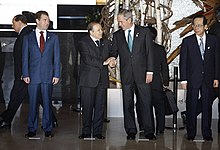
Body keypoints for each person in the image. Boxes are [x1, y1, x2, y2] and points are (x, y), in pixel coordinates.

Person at [0, 14, 57, 130]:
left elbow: (26, 56)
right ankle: (52, 120)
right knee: (39, 97)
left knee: (16, 97)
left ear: (19, 21)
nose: (12, 26)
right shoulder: (25, 34)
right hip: (27, 74)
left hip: (26, 75)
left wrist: (24, 73)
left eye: (13, 23)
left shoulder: (27, 34)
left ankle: (7, 120)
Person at [111, 9, 155, 140]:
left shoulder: (144, 32)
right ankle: (130, 130)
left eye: (121, 21)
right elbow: (114, 51)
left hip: (143, 74)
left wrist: (150, 71)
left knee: (146, 102)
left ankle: (149, 131)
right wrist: (112, 58)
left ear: (129, 20)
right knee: (127, 103)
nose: (119, 24)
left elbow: (150, 53)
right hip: (126, 75)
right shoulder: (117, 35)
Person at [179, 14, 219, 141]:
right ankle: (191, 133)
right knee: (191, 105)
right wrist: (183, 79)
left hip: (208, 79)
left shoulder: (213, 40)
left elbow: (216, 60)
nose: (196, 27)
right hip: (192, 79)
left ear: (205, 26)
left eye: (199, 25)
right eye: (194, 25)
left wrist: (216, 78)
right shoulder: (187, 41)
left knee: (207, 106)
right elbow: (183, 62)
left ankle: (207, 133)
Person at [22, 11, 60, 138]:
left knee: (47, 102)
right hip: (32, 76)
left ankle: (47, 127)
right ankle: (32, 128)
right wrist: (25, 73)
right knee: (32, 103)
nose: (47, 22)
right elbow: (25, 57)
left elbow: (57, 58)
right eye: (44, 20)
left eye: (48, 20)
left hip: (48, 75)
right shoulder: (28, 37)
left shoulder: (53, 38)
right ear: (37, 21)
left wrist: (56, 74)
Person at [78, 22, 116, 139]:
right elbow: (87, 59)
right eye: (98, 30)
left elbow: (111, 54)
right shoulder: (83, 42)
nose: (101, 32)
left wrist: (112, 60)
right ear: (91, 32)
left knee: (100, 107)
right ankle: (86, 131)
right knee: (87, 106)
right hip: (88, 80)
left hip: (102, 79)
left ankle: (98, 132)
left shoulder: (105, 42)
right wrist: (104, 62)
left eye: (101, 30)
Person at [148, 26, 169, 135]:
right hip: (157, 82)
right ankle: (160, 128)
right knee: (159, 106)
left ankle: (148, 127)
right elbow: (164, 67)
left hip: (143, 82)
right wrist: (165, 82)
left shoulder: (140, 48)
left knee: (146, 107)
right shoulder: (160, 49)